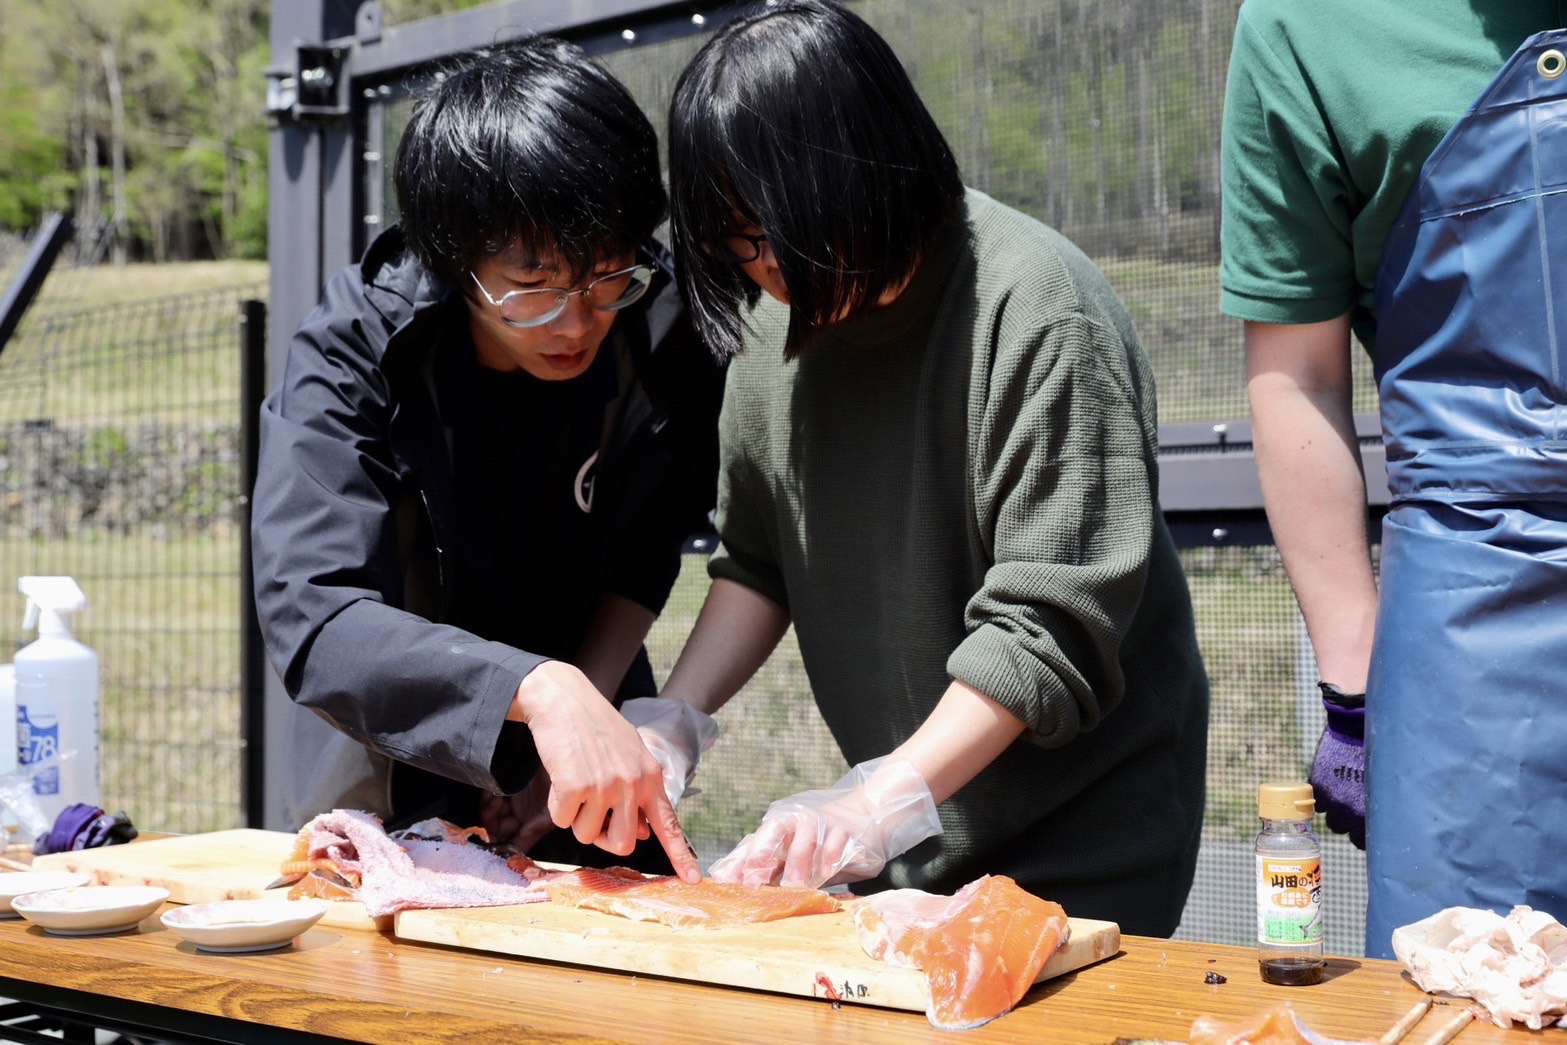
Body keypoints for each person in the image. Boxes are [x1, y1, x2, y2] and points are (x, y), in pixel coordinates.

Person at [635, 0, 1209, 936]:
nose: (766, 264)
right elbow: (757, 562)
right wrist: (674, 717)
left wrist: (874, 801)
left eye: (782, 227)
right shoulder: (770, 328)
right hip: (919, 834)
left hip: (1084, 832)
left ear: (865, 167)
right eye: (736, 238)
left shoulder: (1037, 309)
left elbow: (1046, 628)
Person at [249, 36, 726, 882]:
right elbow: (314, 615)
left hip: (586, 759)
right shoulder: (358, 349)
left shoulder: (660, 328)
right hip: (391, 757)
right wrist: (540, 689)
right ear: (453, 257)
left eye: (606, 275)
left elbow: (647, 545)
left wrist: (583, 706)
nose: (577, 322)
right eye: (534, 287)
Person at [1221, 1, 1567, 956]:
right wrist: (1350, 675)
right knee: (1476, 993)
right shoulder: (1306, 26)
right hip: (1477, 630)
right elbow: (1297, 375)